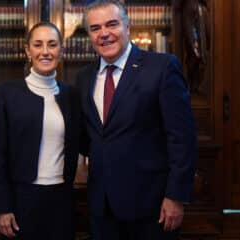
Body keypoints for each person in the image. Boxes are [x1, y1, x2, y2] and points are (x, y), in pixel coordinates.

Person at [75, 0, 197, 239]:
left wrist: (175, 196)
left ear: (127, 27)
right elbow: (88, 137)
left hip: (151, 205)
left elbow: (182, 138)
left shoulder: (161, 67)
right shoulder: (84, 77)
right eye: (96, 28)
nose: (104, 34)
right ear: (89, 34)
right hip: (102, 206)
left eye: (112, 24)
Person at [0, 22, 80, 240]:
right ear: (28, 51)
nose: (45, 52)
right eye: (38, 45)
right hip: (23, 198)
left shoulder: (71, 95)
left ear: (61, 51)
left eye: (52, 45)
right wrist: (2, 206)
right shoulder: (8, 93)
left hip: (61, 196)